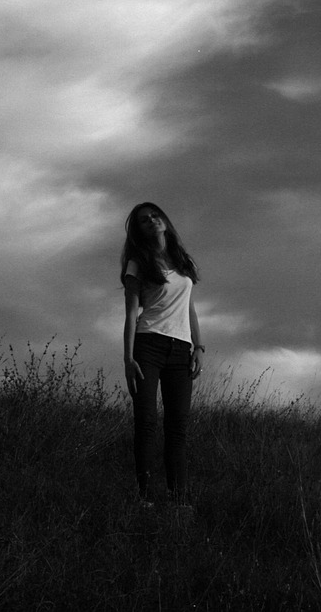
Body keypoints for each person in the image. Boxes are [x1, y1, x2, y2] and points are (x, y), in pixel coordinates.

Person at [120, 201, 203, 507]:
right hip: (148, 345)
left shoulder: (183, 262)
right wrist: (128, 359)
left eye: (155, 215)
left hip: (181, 350)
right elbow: (131, 314)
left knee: (177, 428)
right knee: (146, 422)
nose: (151, 220)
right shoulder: (137, 262)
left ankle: (179, 501)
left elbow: (190, 308)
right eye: (144, 220)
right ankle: (144, 498)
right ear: (138, 231)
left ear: (165, 220)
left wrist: (199, 346)